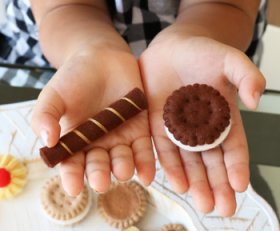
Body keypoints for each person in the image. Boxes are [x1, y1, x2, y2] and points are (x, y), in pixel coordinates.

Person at [0, 0, 267, 216]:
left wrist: (193, 35)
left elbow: (229, 5)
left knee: (233, 173)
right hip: (66, 62)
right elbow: (61, 7)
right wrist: (90, 46)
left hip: (206, 58)